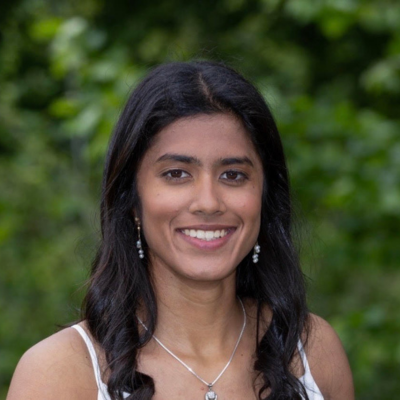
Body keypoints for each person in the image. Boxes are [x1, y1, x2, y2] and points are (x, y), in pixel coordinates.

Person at [7, 61, 354, 400]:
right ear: (131, 198)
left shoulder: (310, 351)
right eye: (177, 174)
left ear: (264, 196)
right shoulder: (60, 372)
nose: (208, 202)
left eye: (233, 175)